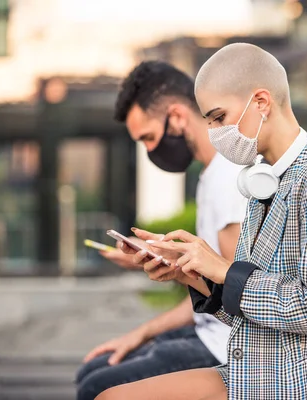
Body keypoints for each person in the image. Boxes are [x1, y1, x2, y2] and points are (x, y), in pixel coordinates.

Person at [97, 43, 307, 400]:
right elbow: (254, 308)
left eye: (219, 118)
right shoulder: (264, 181)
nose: (214, 133)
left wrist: (223, 269)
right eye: (208, 121)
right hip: (268, 368)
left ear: (261, 103)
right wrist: (192, 274)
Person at [74, 61, 248, 400]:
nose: (151, 151)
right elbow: (207, 299)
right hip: (208, 333)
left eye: (150, 138)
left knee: (96, 385)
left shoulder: (227, 179)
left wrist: (177, 266)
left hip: (229, 349)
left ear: (178, 117)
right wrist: (140, 334)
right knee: (94, 370)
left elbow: (237, 294)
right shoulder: (211, 175)